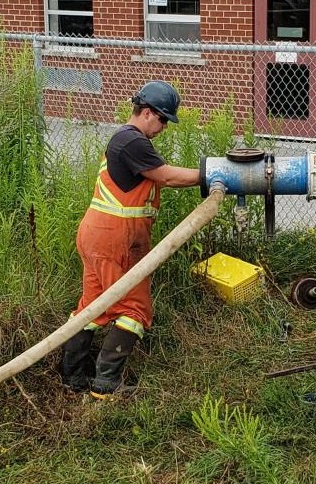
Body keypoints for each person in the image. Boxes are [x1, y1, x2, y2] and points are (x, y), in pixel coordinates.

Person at [61, 80, 200, 395]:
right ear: (147, 112)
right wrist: (212, 174)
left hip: (100, 237)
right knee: (133, 310)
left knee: (93, 307)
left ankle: (72, 377)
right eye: (163, 118)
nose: (164, 126)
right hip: (114, 241)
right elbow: (167, 177)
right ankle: (105, 384)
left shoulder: (125, 140)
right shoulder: (132, 140)